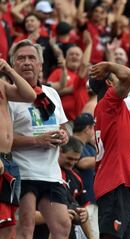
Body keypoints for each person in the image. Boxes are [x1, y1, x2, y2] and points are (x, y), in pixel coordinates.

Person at [9, 39, 71, 239]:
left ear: (40, 64)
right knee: (25, 229)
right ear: (12, 65)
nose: (26, 62)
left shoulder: (51, 93)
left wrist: (64, 136)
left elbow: (64, 127)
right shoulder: (7, 96)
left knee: (62, 226)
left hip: (51, 173)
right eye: (21, 58)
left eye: (31, 58)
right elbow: (4, 140)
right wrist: (38, 141)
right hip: (23, 172)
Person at [90, 61, 130, 239]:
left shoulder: (105, 107)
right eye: (115, 77)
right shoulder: (110, 102)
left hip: (119, 183)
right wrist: (109, 66)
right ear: (110, 84)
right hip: (116, 183)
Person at [0, 58, 36, 238]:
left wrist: (10, 71)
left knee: (9, 223)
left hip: (8, 161)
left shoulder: (2, 85)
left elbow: (30, 96)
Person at [73, 113, 98, 239]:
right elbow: (82, 163)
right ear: (87, 129)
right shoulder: (72, 143)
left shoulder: (89, 146)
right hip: (80, 203)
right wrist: (105, 158)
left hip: (92, 199)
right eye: (93, 127)